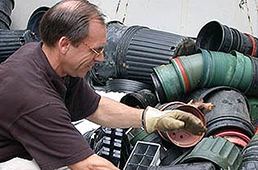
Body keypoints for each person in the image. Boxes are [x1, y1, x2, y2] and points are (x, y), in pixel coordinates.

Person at [0, 0, 206, 169]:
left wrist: (153, 118)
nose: (100, 59)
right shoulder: (35, 98)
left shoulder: (46, 58)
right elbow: (89, 166)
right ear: (64, 44)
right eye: (95, 50)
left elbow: (97, 107)